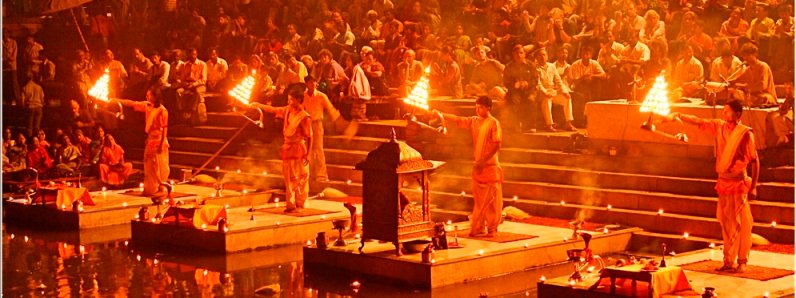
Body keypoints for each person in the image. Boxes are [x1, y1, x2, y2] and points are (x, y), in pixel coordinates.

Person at [667, 100, 757, 273]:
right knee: (725, 222)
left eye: (727, 111)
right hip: (723, 182)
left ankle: (742, 260)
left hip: (738, 183)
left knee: (742, 222)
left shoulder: (744, 133)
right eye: (723, 111)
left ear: (737, 114)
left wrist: (753, 186)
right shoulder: (719, 127)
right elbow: (699, 121)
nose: (724, 114)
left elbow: (755, 161)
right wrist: (679, 115)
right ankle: (728, 260)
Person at [433, 96, 503, 237]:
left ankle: (491, 227)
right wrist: (440, 114)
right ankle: (479, 227)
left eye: (481, 108)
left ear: (488, 108)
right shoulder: (474, 121)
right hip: (478, 166)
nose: (478, 110)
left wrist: (484, 160)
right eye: (476, 107)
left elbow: (497, 144)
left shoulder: (494, 123)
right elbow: (459, 120)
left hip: (490, 166)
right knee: (479, 201)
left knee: (491, 201)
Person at [249, 84, 312, 213]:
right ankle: (291, 204)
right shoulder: (288, 110)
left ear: (298, 100)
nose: (289, 102)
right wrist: (258, 105)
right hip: (288, 147)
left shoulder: (304, 116)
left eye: (291, 99)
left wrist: (309, 154)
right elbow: (273, 109)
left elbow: (310, 136)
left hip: (299, 148)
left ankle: (301, 202)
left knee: (300, 178)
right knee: (288, 178)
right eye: (288, 99)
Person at [117, 89, 170, 197]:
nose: (146, 97)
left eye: (149, 95)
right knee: (149, 165)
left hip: (159, 140)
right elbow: (132, 103)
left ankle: (162, 187)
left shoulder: (162, 111)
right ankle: (151, 188)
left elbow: (164, 129)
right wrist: (116, 100)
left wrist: (160, 145)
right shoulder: (147, 106)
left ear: (155, 96)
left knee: (159, 165)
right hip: (150, 140)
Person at [303, 75, 341, 182]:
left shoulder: (321, 96)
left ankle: (321, 175)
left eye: (314, 82)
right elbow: (300, 109)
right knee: (306, 150)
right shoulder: (303, 95)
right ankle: (307, 173)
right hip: (307, 124)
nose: (313, 84)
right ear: (306, 84)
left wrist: (339, 121)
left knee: (318, 149)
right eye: (310, 82)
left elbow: (330, 108)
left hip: (317, 124)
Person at [730, 43, 776, 107]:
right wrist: (730, 83)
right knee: (735, 93)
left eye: (748, 55)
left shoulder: (763, 66)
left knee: (763, 98)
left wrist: (744, 87)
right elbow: (737, 81)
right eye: (744, 56)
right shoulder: (748, 69)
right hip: (752, 96)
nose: (745, 58)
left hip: (765, 96)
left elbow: (762, 86)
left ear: (755, 54)